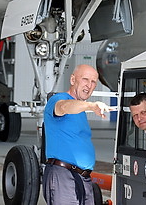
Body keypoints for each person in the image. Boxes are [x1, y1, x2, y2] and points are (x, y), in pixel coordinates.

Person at [42, 64, 110, 205]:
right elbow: (64, 106)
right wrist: (91, 105)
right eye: (85, 79)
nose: (89, 85)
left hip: (83, 178)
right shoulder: (58, 100)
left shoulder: (80, 110)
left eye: (93, 82)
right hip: (63, 175)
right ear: (73, 80)